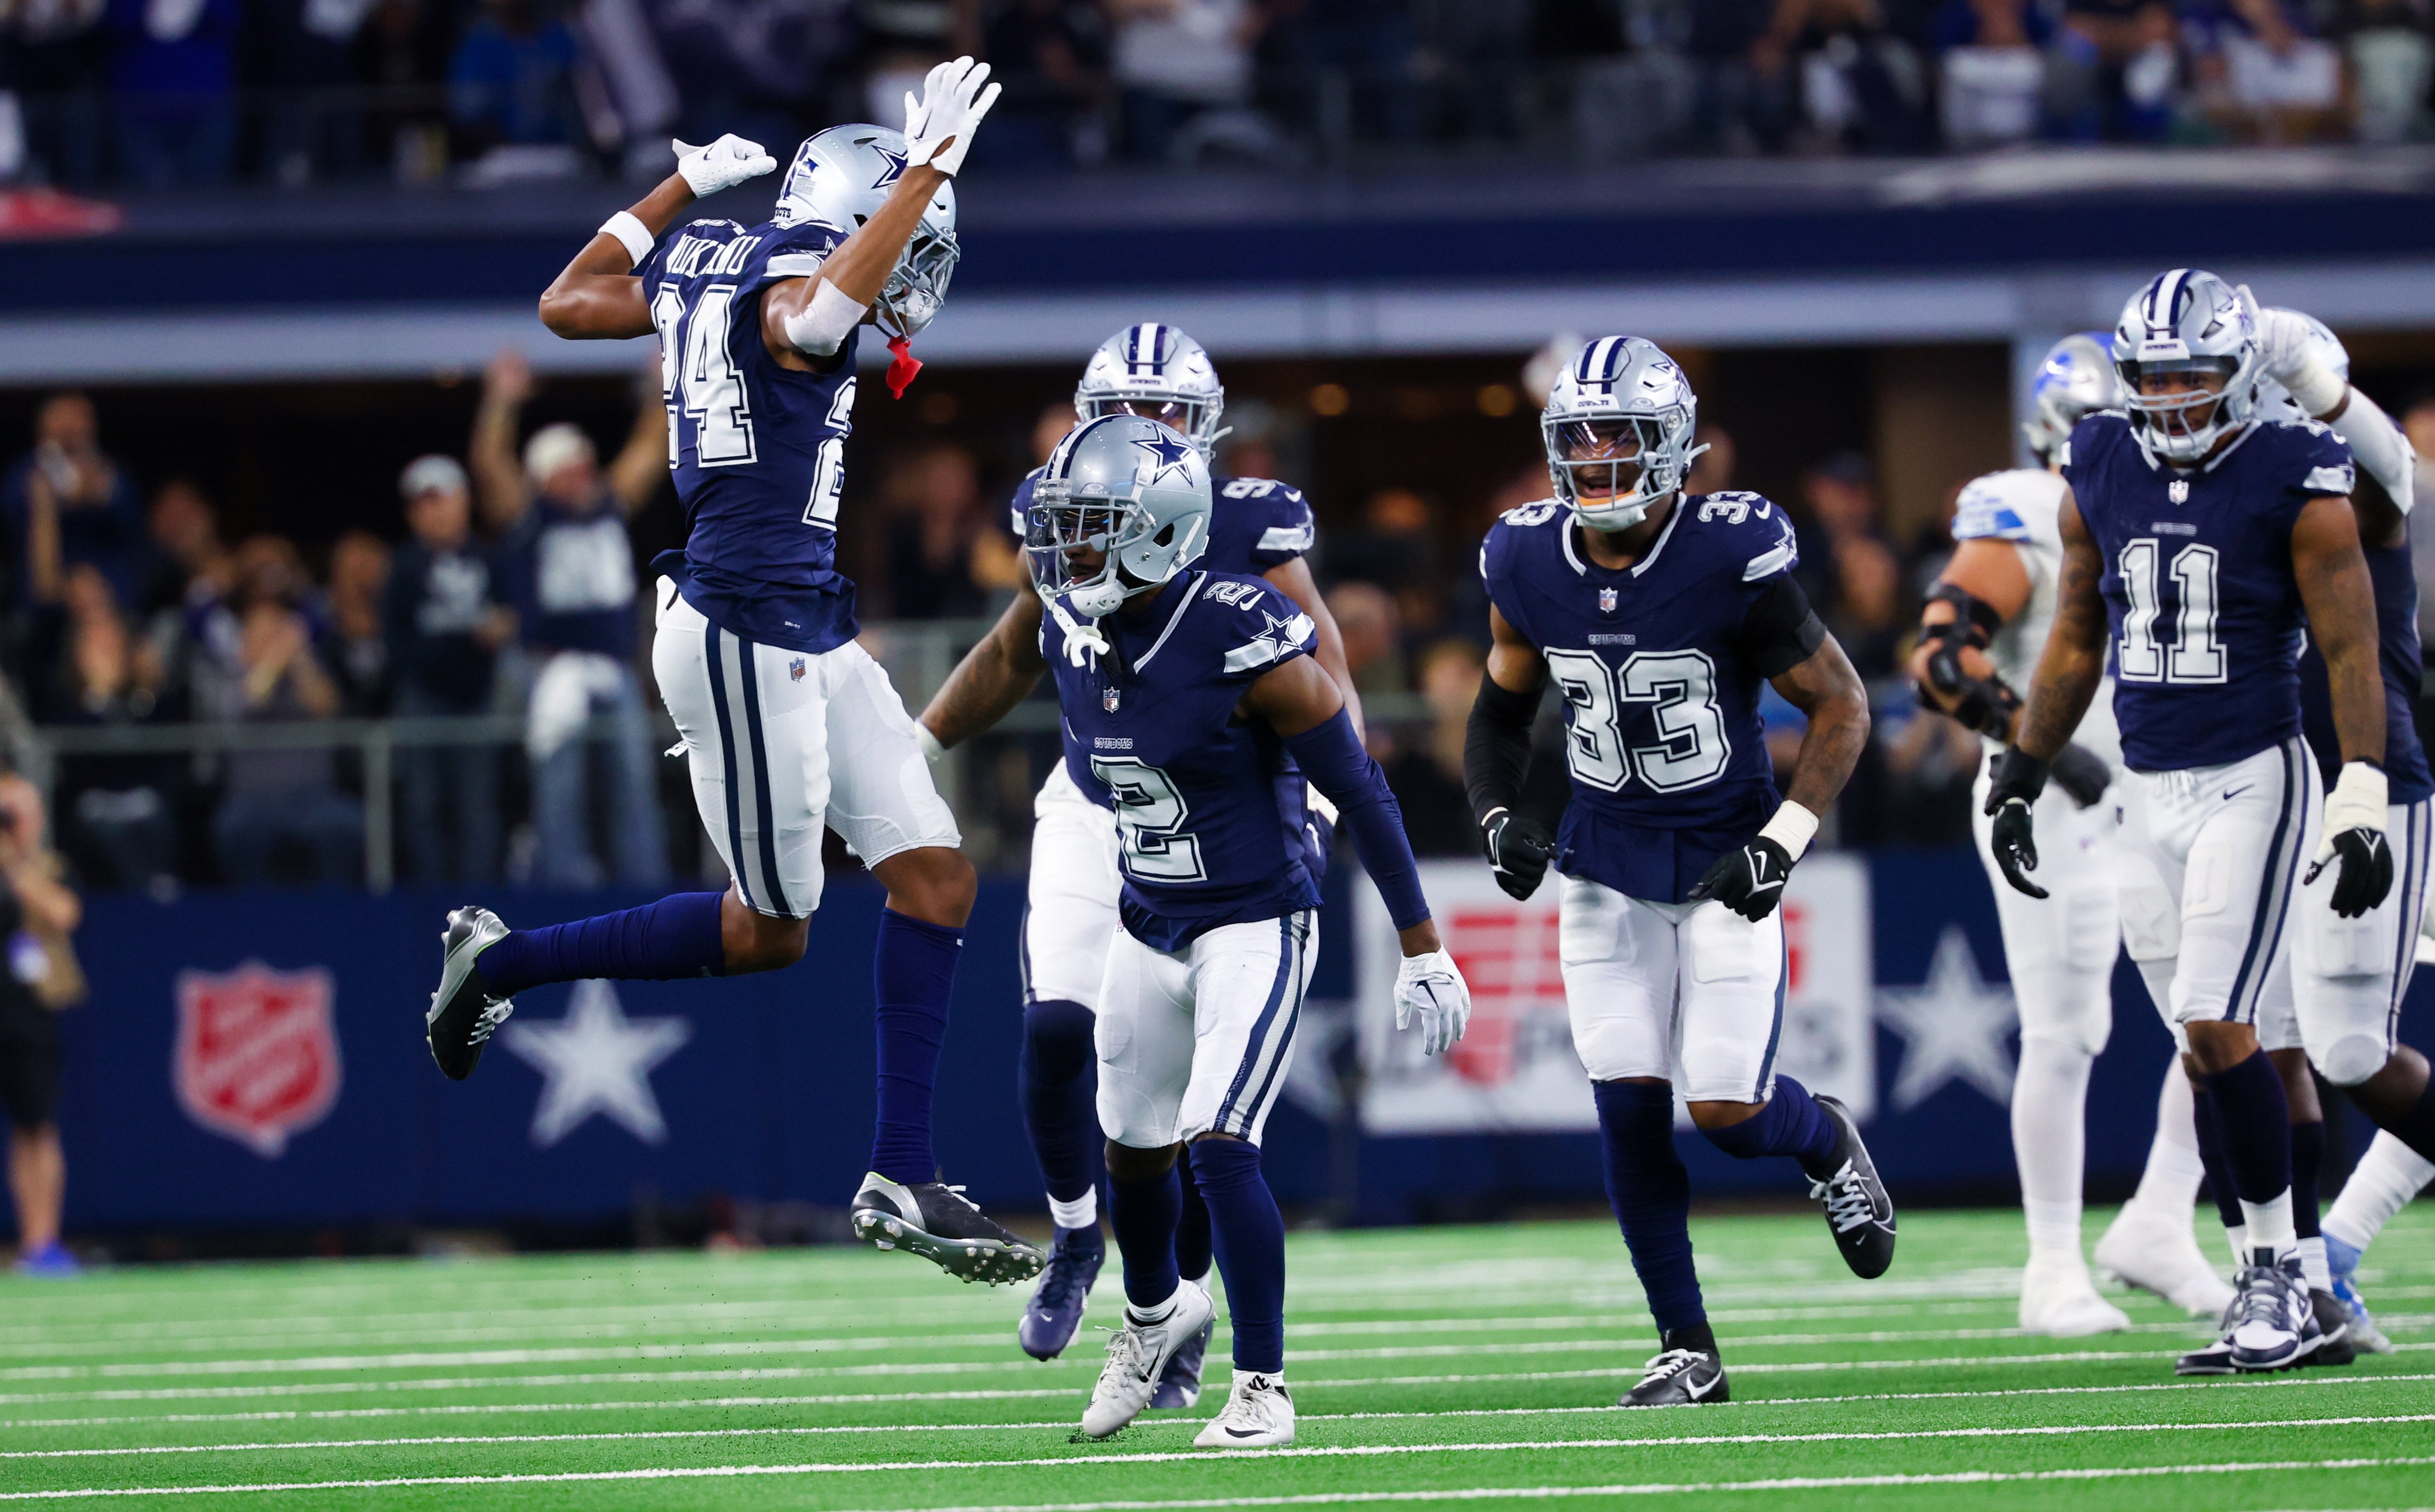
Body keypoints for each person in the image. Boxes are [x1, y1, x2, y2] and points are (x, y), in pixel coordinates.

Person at [423, 66, 1037, 1285]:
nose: (920, 258)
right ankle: (496, 963)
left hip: (804, 618)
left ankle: (900, 1171)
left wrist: (678, 186)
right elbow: (806, 317)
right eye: (910, 231)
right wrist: (930, 172)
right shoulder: (792, 287)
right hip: (742, 630)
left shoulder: (708, 257)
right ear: (865, 210)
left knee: (936, 875)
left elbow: (564, 301)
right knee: (770, 931)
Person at [915, 324, 1357, 1402]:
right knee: (1061, 1023)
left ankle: (1181, 1297)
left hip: (1216, 808)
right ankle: (1075, 1235)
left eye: (1168, 413)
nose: (1146, 433)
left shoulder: (1247, 515)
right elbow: (1013, 645)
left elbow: (1320, 662)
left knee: (1193, 1095)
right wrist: (912, 747)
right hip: (1097, 795)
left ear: (1203, 427)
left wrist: (1328, 791)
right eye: (1126, 409)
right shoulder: (1059, 505)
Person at [1018, 415, 1467, 1447]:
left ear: (1157, 531)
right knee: (1132, 1150)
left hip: (1255, 919)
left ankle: (1262, 1382)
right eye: (1065, 525)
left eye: (1089, 527)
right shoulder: (1070, 633)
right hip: (1148, 916)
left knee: (1219, 1144)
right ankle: (1148, 1319)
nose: (1065, 549)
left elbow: (1357, 782)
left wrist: (1421, 941)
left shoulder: (1239, 629)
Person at [1464, 336, 1886, 1409]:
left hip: (1721, 860)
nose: (1600, 461)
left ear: (1678, 448)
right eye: (1581, 440)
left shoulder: (1726, 551)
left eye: (1624, 438)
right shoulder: (1521, 559)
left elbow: (1841, 703)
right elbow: (1501, 709)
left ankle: (1824, 1135)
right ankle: (1684, 1344)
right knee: (1627, 1110)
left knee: (1730, 1111)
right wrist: (1500, 812)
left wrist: (1782, 838)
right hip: (1604, 868)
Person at [1986, 268, 2392, 1374]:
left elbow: (2351, 647)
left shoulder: (2294, 470)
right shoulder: (2098, 459)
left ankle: (2268, 1276)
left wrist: (2358, 787)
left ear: (2241, 373)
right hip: (2141, 788)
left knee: (2220, 1023)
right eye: (2150, 375)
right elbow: (2074, 631)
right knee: (2205, 1047)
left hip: (2251, 775)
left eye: (2190, 374)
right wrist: (2021, 766)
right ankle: (2299, 1279)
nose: (2167, 396)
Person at [1909, 331, 2233, 1336]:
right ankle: (2050, 1265)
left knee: (2218, 1009)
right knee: (2067, 1026)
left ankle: (2159, 1221)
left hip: (2161, 788)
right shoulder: (2022, 509)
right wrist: (2043, 746)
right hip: (2049, 796)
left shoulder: (2179, 504)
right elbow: (1940, 661)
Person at [2245, 296, 2435, 1356]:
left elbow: (2392, 477)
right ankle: (2313, 1279)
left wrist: (2321, 389)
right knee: (2269, 1040)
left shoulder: (2351, 492)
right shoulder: (2229, 495)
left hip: (2370, 782)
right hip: (2261, 789)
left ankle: (2337, 1255)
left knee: (2352, 1044)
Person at [469, 352, 669, 891]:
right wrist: (501, 403)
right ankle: (563, 891)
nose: (584, 472)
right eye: (570, 466)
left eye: (584, 462)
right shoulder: (530, 515)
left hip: (612, 664)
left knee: (633, 781)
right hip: (551, 669)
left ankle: (644, 887)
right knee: (559, 788)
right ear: (546, 475)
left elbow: (649, 452)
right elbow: (490, 464)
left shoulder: (608, 502)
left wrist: (659, 389)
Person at [388, 456, 513, 884]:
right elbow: (394, 639)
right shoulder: (404, 566)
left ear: (465, 503)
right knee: (423, 804)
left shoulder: (490, 558)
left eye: (444, 500)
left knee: (478, 805)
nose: (436, 511)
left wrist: (503, 627)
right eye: (425, 504)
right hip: (424, 698)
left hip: (479, 695)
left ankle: (479, 908)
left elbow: (515, 613)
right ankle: (430, 906)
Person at [0, 774, 83, 1276]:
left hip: (30, 1014)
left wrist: (15, 864)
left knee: (38, 1127)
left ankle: (42, 1241)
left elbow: (64, 912)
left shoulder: (48, 867)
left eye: (15, 814)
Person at [3, 392, 145, 611]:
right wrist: (52, 500)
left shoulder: (109, 471)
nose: (69, 428)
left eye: (77, 419)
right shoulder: (25, 472)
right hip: (44, 602)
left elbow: (130, 519)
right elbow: (11, 517)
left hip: (108, 598)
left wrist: (100, 494)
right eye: (61, 419)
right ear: (43, 426)